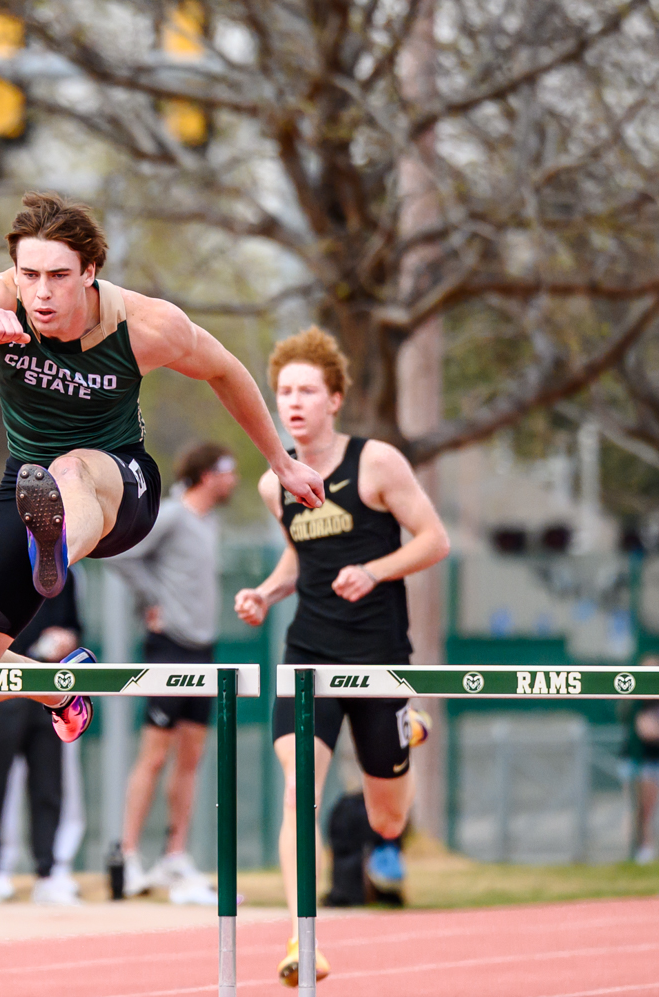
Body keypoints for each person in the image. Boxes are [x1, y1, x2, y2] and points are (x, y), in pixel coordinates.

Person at [0, 192, 324, 742]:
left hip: (120, 484)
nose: (41, 292)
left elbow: (226, 372)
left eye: (58, 276)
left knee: (70, 469)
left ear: (90, 271)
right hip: (27, 485)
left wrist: (281, 462)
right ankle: (58, 687)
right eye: (29, 274)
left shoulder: (146, 325)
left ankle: (57, 549)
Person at [233, 327, 449, 987]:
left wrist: (376, 570)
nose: (292, 402)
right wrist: (266, 593)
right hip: (307, 654)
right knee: (300, 791)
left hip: (377, 654)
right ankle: (303, 942)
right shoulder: (277, 486)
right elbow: (301, 557)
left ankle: (405, 730)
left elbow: (434, 539)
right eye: (282, 392)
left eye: (305, 390)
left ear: (333, 398)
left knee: (388, 818)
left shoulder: (376, 462)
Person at [108, 441, 238, 904]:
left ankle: (175, 856)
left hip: (203, 650)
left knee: (190, 757)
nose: (234, 481)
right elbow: (123, 554)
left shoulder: (210, 525)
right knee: (155, 755)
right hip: (168, 648)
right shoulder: (173, 514)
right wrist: (152, 600)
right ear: (208, 475)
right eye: (228, 472)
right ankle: (127, 856)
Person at [0, 574, 84, 906]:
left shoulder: (66, 571)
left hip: (49, 688)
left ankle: (48, 873)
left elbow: (75, 625)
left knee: (48, 784)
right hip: (2, 687)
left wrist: (67, 638)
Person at [618, 654, 659, 864]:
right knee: (636, 808)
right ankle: (634, 850)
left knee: (650, 810)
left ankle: (646, 851)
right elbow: (645, 729)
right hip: (635, 760)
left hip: (656, 759)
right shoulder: (636, 699)